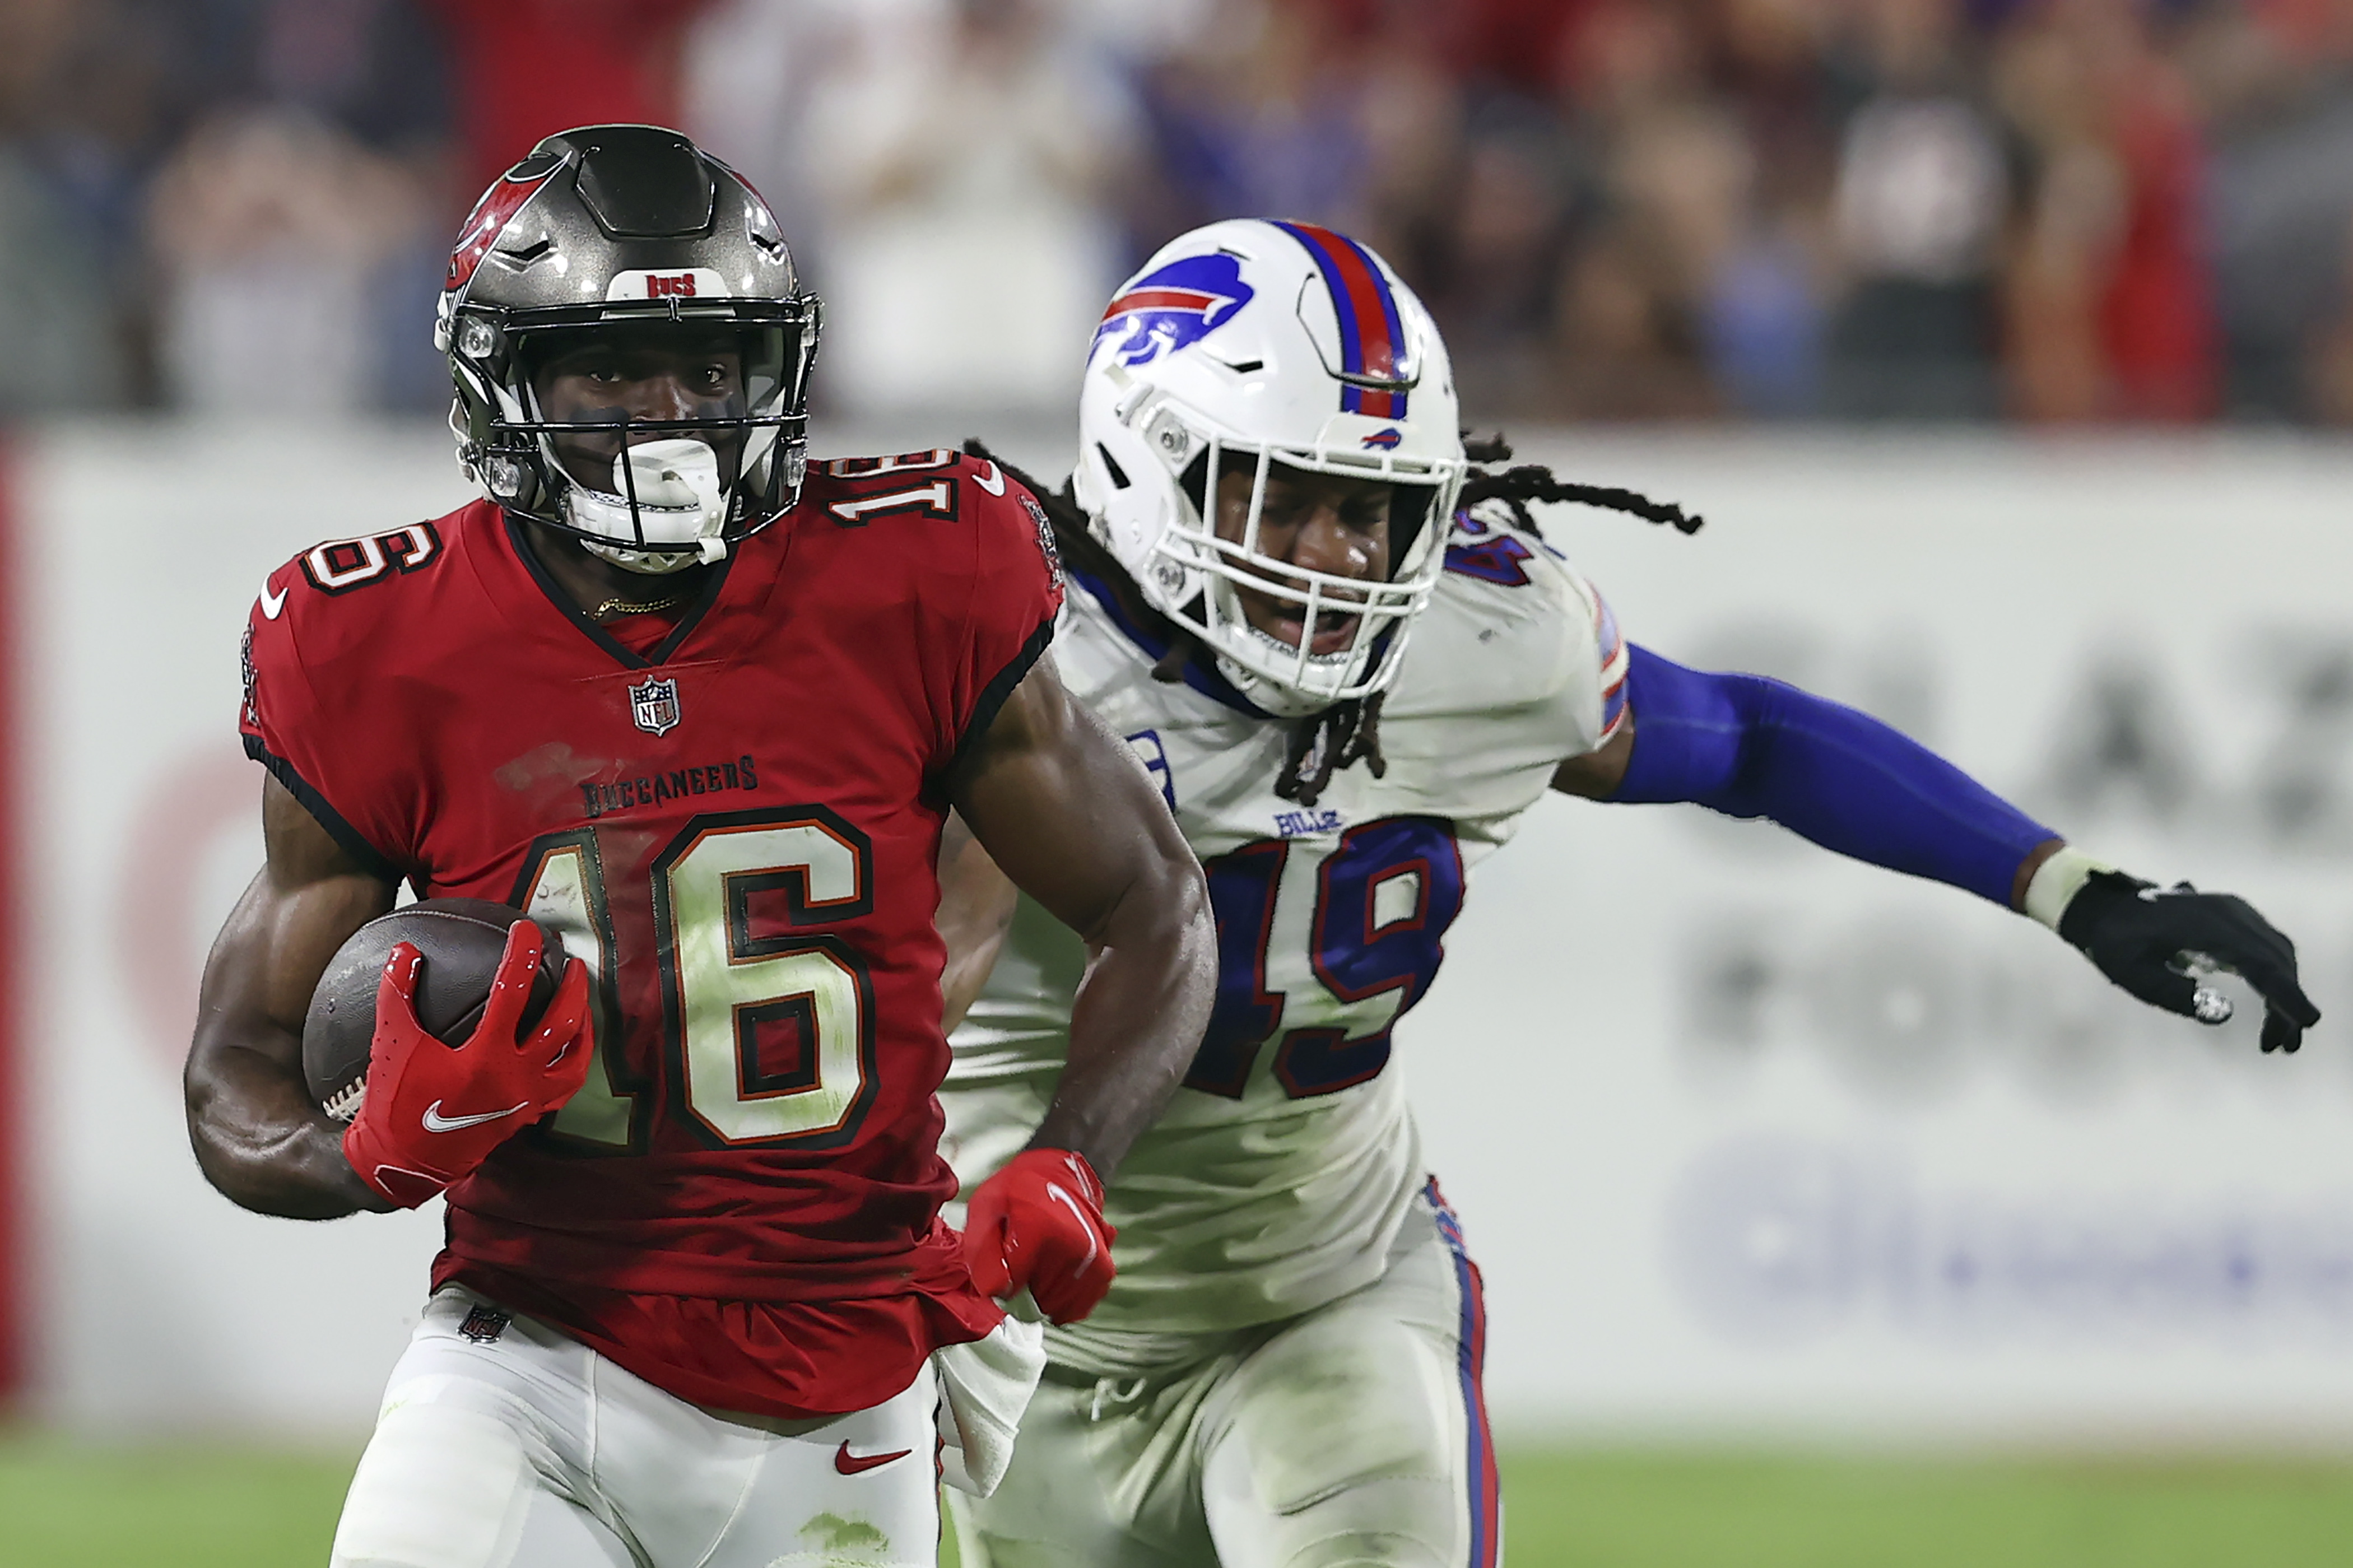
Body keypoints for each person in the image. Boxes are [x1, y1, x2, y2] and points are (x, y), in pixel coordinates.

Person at [933, 217, 2320, 1568]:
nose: (1340, 554)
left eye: (1368, 506)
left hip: (1321, 1306)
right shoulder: (1013, 675)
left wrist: (2073, 890)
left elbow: (1754, 739)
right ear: (1143, 464)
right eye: (1280, 498)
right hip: (1017, 1333)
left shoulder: (1482, 644)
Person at [182, 125, 1217, 1568]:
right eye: (608, 370)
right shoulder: (378, 641)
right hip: (532, 1358)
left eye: (709, 365)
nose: (668, 412)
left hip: (850, 1383)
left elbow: (1152, 900)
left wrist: (1068, 1161)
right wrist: (363, 1150)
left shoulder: (919, 571)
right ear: (506, 380)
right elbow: (232, 1071)